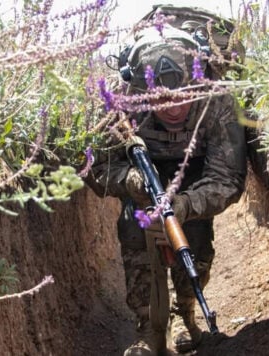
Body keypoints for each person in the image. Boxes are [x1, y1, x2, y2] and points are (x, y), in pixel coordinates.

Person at [85, 24, 247, 355]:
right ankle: (148, 328)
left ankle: (185, 312)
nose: (174, 109)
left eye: (184, 97)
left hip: (194, 180)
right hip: (142, 185)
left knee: (195, 242)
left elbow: (228, 178)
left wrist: (186, 205)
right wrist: (129, 180)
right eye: (161, 100)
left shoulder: (216, 100)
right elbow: (94, 166)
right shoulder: (117, 102)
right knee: (134, 228)